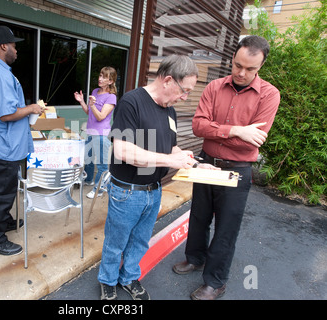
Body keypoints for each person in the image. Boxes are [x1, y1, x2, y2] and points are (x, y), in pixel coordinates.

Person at [98, 55, 217, 300]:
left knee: (141, 240)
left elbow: (170, 149)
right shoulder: (131, 102)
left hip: (154, 189)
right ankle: (107, 281)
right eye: (184, 91)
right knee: (116, 241)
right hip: (127, 191)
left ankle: (129, 277)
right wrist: (170, 161)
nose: (185, 97)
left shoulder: (169, 111)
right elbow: (123, 151)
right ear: (168, 81)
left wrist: (195, 163)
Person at [172, 36, 280, 300]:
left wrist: (220, 131)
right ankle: (195, 257)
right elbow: (198, 126)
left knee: (226, 227)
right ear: (233, 58)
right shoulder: (214, 87)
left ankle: (216, 281)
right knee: (198, 216)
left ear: (261, 67)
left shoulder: (269, 94)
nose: (242, 73)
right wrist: (236, 130)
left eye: (250, 69)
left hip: (237, 168)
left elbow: (251, 143)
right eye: (237, 65)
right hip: (206, 161)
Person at [0, 25, 44, 256]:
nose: (16, 50)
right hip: (5, 146)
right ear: (3, 46)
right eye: (14, 46)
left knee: (5, 189)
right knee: (1, 194)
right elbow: (6, 114)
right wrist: (31, 108)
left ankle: (4, 221)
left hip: (6, 144)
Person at [74, 67, 117, 199]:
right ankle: (89, 180)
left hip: (102, 135)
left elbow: (100, 117)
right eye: (100, 75)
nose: (100, 79)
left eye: (104, 77)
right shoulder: (95, 92)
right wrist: (82, 101)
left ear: (110, 81)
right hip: (90, 132)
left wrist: (92, 105)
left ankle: (99, 188)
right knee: (88, 159)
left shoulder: (111, 97)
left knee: (103, 165)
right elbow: (89, 112)